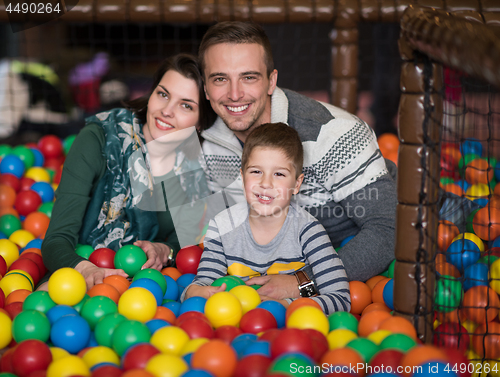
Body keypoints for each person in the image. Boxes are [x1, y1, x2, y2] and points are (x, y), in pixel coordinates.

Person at [198, 21, 397, 290]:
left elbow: (388, 229)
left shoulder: (332, 133)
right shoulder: (209, 140)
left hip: (420, 240)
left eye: (249, 77)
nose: (235, 94)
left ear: (271, 81)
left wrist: (302, 281)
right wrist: (166, 250)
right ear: (206, 88)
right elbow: (209, 232)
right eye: (220, 79)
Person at [40, 53, 215, 289]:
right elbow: (56, 241)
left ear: (200, 122)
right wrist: (87, 270)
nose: (167, 110)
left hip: (145, 286)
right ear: (151, 94)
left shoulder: (193, 166)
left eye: (186, 105)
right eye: (163, 94)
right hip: (82, 273)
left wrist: (165, 250)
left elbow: (182, 238)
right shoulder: (99, 139)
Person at [183, 123, 350, 314]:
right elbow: (203, 283)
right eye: (256, 171)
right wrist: (194, 292)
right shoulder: (222, 227)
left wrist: (288, 306)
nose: (265, 183)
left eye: (279, 174)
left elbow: (341, 298)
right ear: (242, 176)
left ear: (297, 184)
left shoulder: (309, 231)